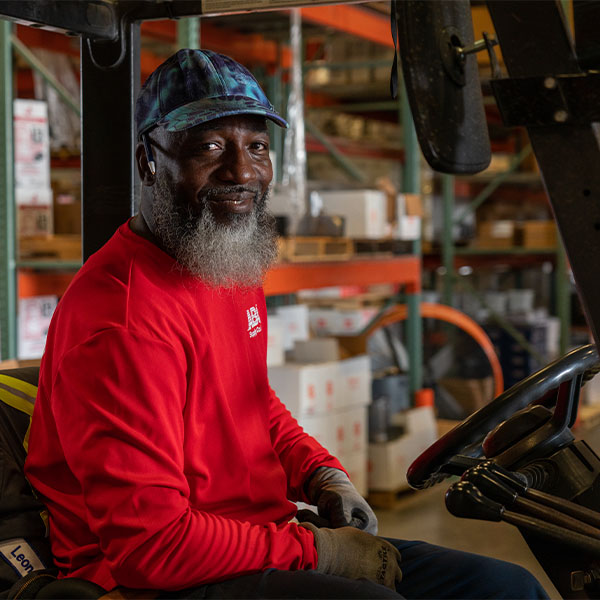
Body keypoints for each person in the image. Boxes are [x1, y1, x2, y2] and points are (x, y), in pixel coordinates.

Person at [24, 49, 548, 599]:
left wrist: (321, 474)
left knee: (502, 587)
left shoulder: (220, 260)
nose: (243, 172)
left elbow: (249, 401)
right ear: (148, 162)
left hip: (255, 539)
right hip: (155, 578)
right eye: (209, 147)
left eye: (256, 147)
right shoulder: (123, 319)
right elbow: (151, 546)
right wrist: (321, 551)